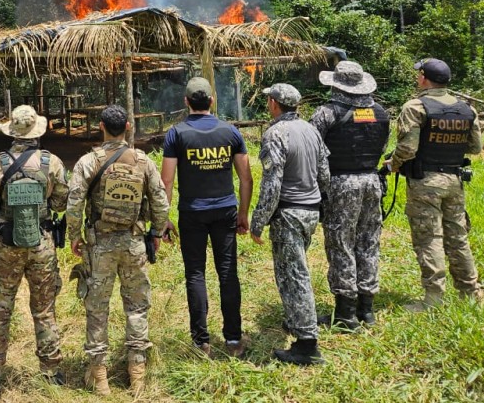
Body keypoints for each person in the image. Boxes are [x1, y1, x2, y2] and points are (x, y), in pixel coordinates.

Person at [67, 104, 169, 396]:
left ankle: (99, 376)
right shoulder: (142, 161)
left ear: (101, 126)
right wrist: (157, 232)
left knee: (97, 308)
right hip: (134, 243)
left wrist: (75, 235)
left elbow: (74, 202)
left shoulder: (88, 162)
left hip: (99, 244)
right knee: (136, 306)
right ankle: (136, 372)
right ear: (127, 126)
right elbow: (160, 201)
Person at [0, 105, 69, 402]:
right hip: (42, 245)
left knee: (0, 308)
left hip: (7, 246)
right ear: (36, 132)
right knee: (44, 309)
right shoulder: (51, 163)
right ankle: (52, 371)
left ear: (12, 132)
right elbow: (63, 202)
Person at [160, 76, 253, 358]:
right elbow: (246, 178)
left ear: (186, 102)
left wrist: (163, 217)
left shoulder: (176, 134)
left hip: (192, 212)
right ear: (212, 101)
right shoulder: (230, 132)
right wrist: (243, 213)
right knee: (227, 273)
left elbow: (166, 181)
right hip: (225, 210)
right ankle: (234, 338)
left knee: (196, 273)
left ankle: (201, 341)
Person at [390, 58, 484, 311]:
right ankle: (471, 291)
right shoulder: (466, 109)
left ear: (424, 78)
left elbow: (408, 148)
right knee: (458, 236)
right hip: (455, 181)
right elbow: (476, 147)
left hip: (425, 182)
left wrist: (394, 163)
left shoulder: (416, 106)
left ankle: (433, 299)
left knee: (429, 238)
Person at [250, 83, 330, 365]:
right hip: (310, 211)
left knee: (293, 276)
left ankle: (307, 344)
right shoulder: (311, 130)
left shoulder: (275, 134)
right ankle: (296, 320)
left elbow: (272, 185)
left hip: (289, 214)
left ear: (273, 103)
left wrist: (258, 221)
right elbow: (324, 174)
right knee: (297, 269)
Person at [310, 61, 390, 329]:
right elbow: (382, 146)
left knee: (341, 244)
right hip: (372, 181)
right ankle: (366, 310)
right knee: (369, 242)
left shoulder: (326, 113)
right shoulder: (381, 112)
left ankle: (345, 314)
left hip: (340, 184)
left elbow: (314, 153)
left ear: (336, 84)